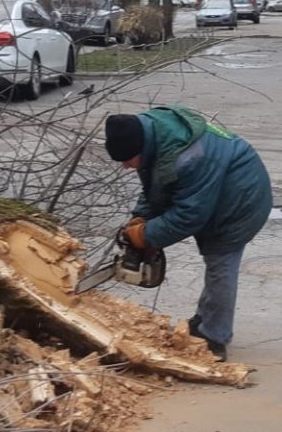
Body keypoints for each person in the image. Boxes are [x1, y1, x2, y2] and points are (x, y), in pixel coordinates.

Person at [104, 107, 272, 360]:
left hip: (241, 199)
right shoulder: (152, 135)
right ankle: (204, 319)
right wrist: (141, 218)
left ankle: (215, 337)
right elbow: (156, 185)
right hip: (218, 188)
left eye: (128, 160)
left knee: (220, 264)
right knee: (215, 264)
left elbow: (188, 216)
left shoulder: (187, 158)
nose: (126, 166)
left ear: (140, 147)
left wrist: (146, 236)